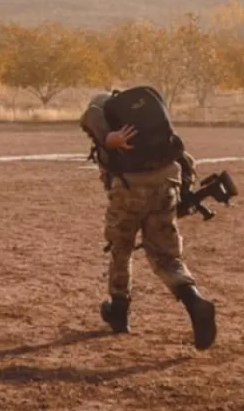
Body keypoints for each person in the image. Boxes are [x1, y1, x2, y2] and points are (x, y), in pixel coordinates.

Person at [79, 89, 217, 350]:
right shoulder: (151, 115)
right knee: (167, 257)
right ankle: (194, 300)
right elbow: (184, 157)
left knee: (121, 249)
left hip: (128, 189)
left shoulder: (100, 106)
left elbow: (91, 118)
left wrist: (109, 138)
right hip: (166, 185)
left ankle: (119, 309)